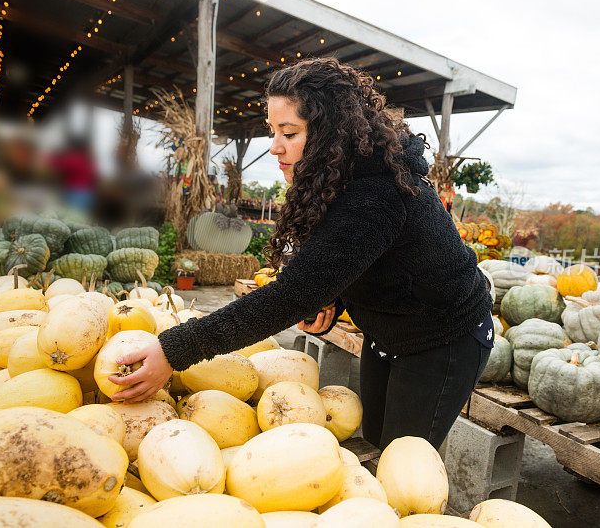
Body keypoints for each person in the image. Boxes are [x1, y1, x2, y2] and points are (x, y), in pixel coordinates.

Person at [110, 58, 494, 450]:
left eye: (289, 133)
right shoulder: (338, 177)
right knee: (378, 439)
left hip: (444, 336)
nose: (275, 146)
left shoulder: (376, 194)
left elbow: (292, 296)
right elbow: (361, 258)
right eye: (272, 131)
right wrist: (336, 298)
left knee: (405, 460)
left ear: (331, 133)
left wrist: (174, 350)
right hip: (389, 332)